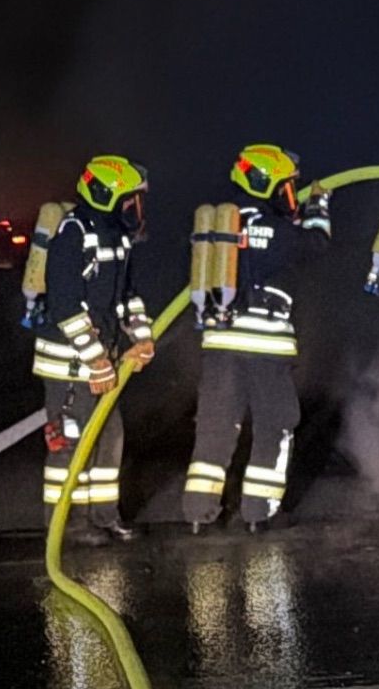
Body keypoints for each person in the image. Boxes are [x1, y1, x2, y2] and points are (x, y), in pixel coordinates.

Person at [184, 143, 333, 532]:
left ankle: (199, 515)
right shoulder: (277, 229)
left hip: (220, 347)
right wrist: (318, 207)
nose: (289, 194)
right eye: (285, 187)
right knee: (276, 425)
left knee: (215, 429)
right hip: (265, 347)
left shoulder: (221, 226)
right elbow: (317, 245)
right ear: (265, 183)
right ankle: (259, 513)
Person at [31, 155, 155, 541]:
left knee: (109, 438)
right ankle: (69, 523)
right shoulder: (73, 233)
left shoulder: (116, 235)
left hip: (101, 360)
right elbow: (66, 305)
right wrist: (96, 358)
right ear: (107, 195)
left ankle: (103, 518)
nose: (134, 207)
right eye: (129, 198)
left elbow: (127, 294)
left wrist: (142, 333)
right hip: (69, 366)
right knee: (70, 445)